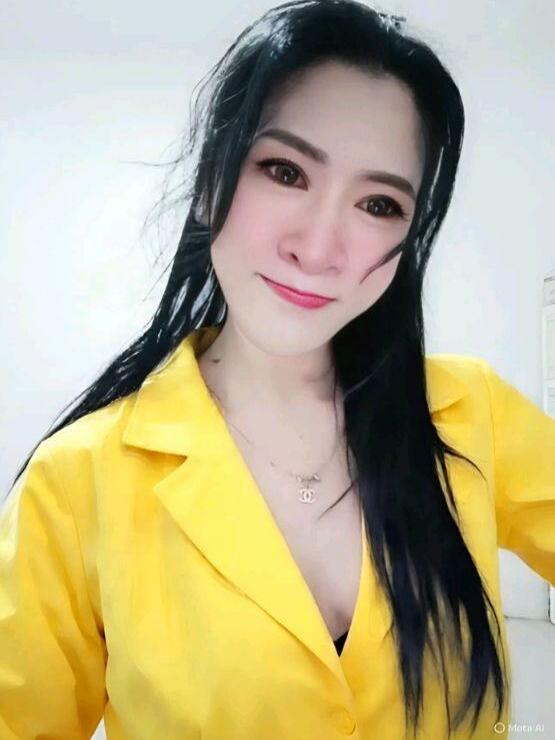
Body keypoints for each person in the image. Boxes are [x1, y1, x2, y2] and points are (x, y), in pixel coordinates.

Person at [1, 1, 554, 738]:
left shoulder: (469, 410)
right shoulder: (76, 481)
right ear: (210, 183)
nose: (319, 248)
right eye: (284, 171)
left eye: (379, 204)